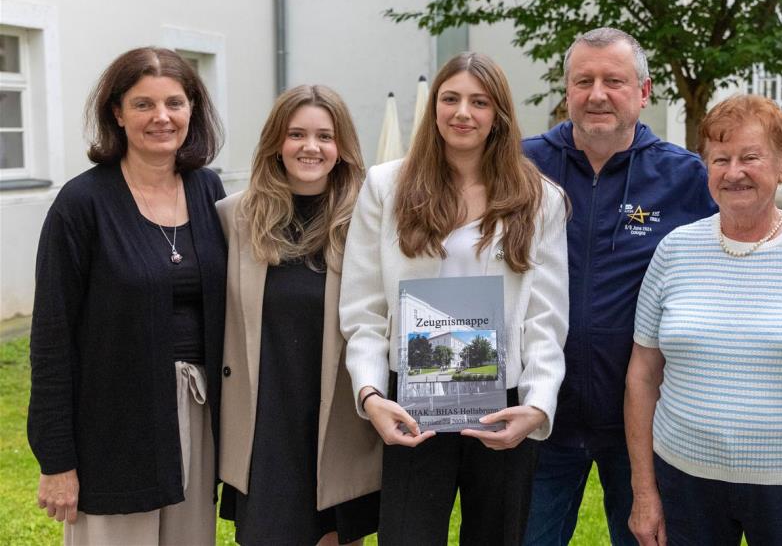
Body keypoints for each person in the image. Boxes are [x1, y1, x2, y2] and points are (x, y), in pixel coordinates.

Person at [339, 52, 569, 545]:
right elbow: (364, 309)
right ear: (434, 108)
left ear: (498, 114)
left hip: (504, 404)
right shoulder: (386, 186)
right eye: (451, 99)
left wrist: (537, 404)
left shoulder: (540, 198)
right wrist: (371, 394)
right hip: (412, 403)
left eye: (479, 102)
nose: (463, 112)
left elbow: (546, 318)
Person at [624, 94, 782, 546]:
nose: (734, 172)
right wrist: (644, 491)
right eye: (720, 159)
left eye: (751, 157)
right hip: (686, 481)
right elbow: (642, 374)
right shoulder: (674, 250)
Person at [522, 27, 717, 545]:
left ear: (643, 91)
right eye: (583, 81)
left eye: (614, 80)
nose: (597, 94)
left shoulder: (684, 177)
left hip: (643, 421)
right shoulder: (522, 168)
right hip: (540, 413)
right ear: (567, 90)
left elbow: (757, 230)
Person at [28, 47, 226, 544]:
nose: (162, 117)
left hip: (197, 411)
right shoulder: (81, 203)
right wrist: (57, 460)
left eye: (174, 103)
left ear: (192, 110)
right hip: (113, 423)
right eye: (143, 104)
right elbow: (51, 338)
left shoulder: (209, 191)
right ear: (117, 113)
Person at [216, 85, 381, 545]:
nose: (311, 147)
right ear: (276, 142)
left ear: (342, 147)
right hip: (264, 423)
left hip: (338, 422)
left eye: (325, 136)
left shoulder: (368, 220)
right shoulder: (233, 218)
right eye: (296, 134)